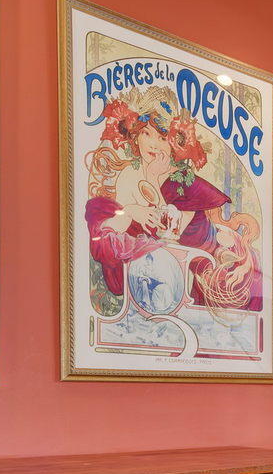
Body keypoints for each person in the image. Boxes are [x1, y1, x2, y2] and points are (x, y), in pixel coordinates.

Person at [83, 88, 261, 316]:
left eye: (162, 138)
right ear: (136, 134)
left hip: (211, 269)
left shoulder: (182, 183)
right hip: (168, 271)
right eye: (146, 133)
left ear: (174, 144)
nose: (153, 145)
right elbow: (112, 231)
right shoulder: (130, 175)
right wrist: (130, 211)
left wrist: (152, 186)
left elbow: (169, 238)